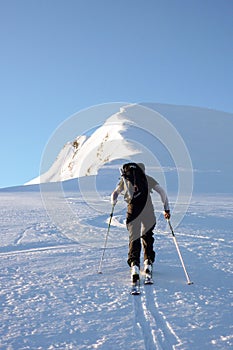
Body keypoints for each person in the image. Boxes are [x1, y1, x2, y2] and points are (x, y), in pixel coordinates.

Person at [111, 162, 170, 282]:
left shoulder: (125, 180)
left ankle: (134, 265)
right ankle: (148, 262)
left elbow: (114, 194)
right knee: (147, 235)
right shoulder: (148, 179)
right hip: (148, 209)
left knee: (134, 237)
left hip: (133, 210)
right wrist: (166, 209)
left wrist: (113, 203)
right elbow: (162, 192)